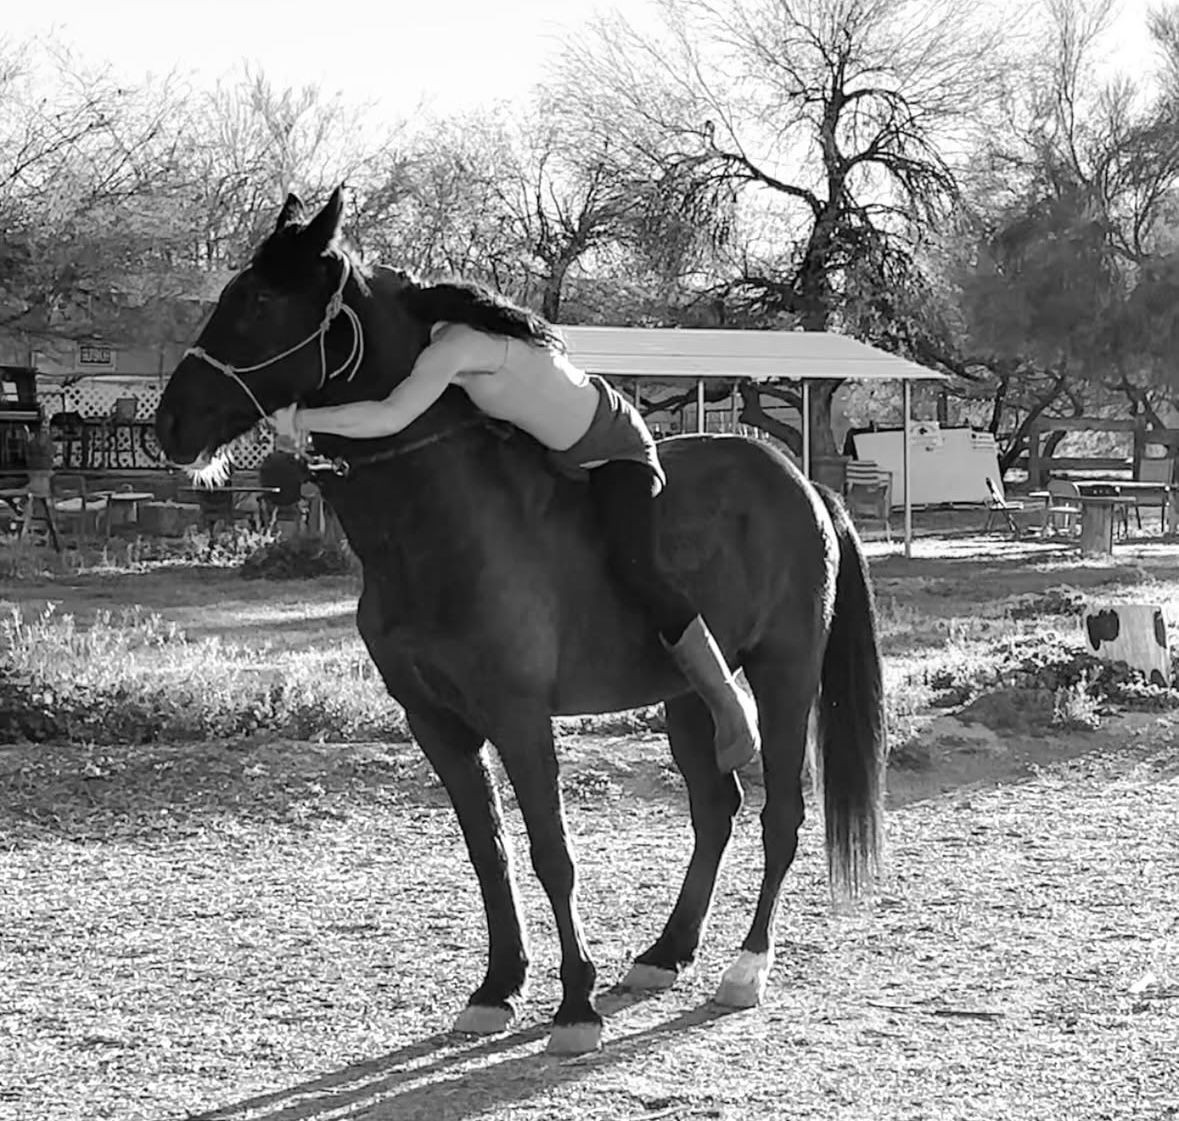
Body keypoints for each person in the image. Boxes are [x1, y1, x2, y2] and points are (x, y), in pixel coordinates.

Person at [271, 280, 759, 772]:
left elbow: (390, 414)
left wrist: (305, 418)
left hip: (615, 451)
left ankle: (727, 701)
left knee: (636, 568)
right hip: (558, 455)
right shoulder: (471, 344)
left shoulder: (454, 348)